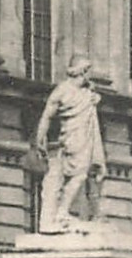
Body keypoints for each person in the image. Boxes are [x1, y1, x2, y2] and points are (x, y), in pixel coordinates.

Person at [33, 52, 108, 234]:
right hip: (72, 138)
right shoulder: (62, 90)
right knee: (79, 175)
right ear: (81, 71)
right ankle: (62, 212)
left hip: (86, 136)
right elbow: (47, 115)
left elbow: (92, 96)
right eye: (87, 71)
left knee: (85, 174)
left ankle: (81, 212)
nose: (90, 75)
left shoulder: (86, 92)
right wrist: (40, 137)